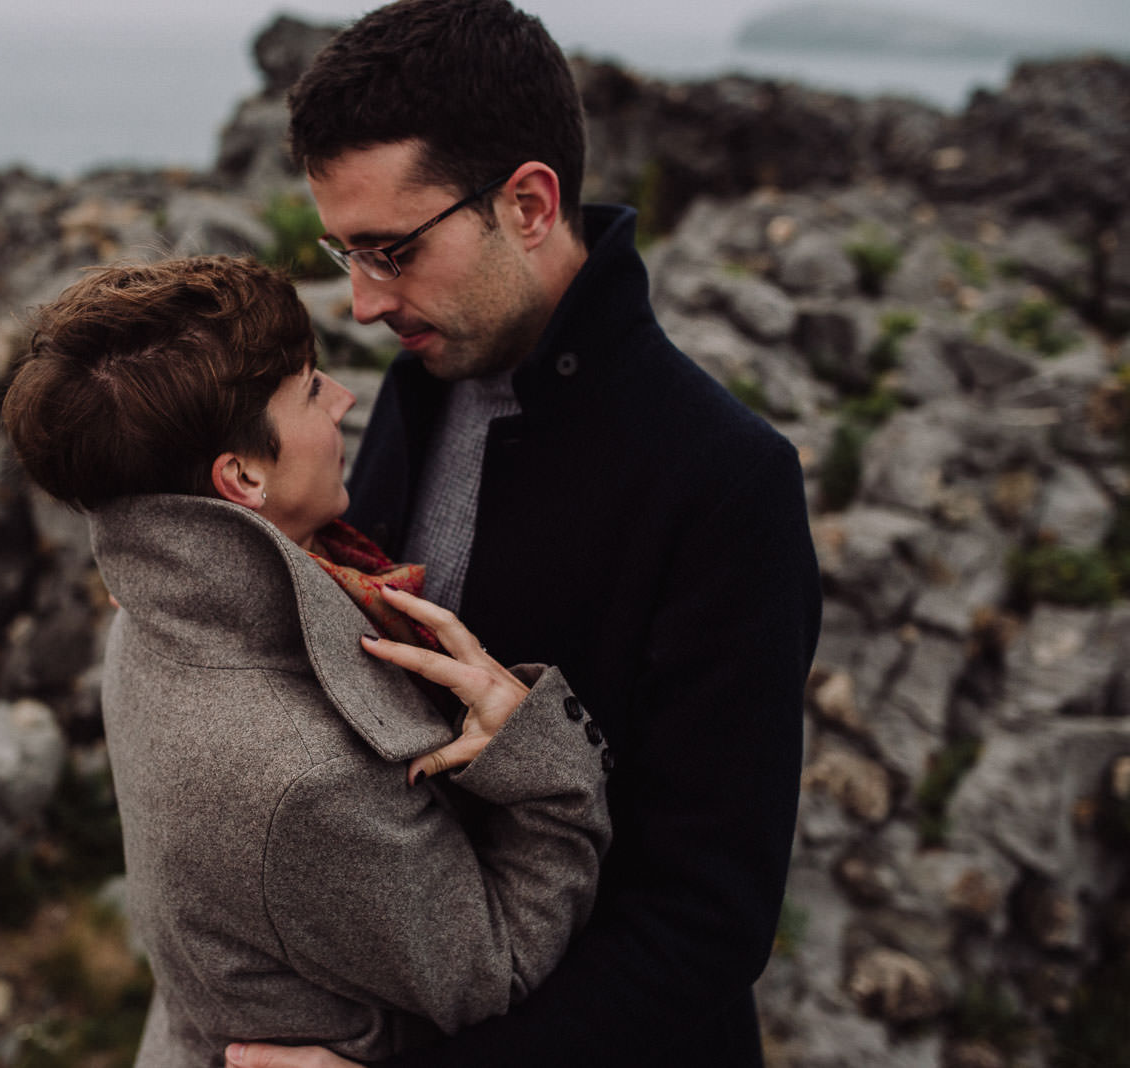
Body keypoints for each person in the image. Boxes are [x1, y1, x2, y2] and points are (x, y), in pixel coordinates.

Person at [225, 1, 823, 1066]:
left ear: (531, 202)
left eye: (391, 250)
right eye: (343, 252)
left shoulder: (729, 483)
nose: (362, 304)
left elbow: (704, 926)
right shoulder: (416, 388)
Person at [1, 255, 614, 1066]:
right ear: (243, 477)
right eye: (312, 388)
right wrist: (543, 765)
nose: (345, 398)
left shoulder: (151, 619)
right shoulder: (306, 779)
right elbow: (494, 968)